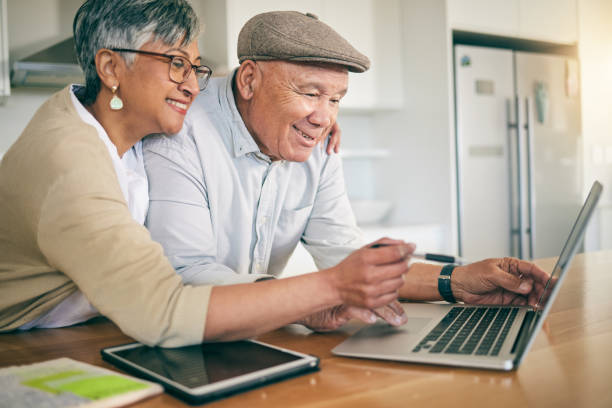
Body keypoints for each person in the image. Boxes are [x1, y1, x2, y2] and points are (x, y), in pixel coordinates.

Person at [0, 1, 398, 346]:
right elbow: (164, 309)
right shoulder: (71, 159)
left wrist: (308, 111)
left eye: (194, 67)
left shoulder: (126, 135)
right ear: (110, 67)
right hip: (24, 345)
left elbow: (227, 99)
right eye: (176, 64)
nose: (191, 85)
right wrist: (321, 292)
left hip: (94, 329)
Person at [143, 11, 550, 338]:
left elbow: (343, 255)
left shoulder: (316, 143)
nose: (324, 118)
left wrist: (457, 282)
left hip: (254, 338)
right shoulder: (182, 128)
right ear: (249, 79)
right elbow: (186, 275)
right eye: (310, 93)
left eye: (336, 99)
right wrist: (307, 301)